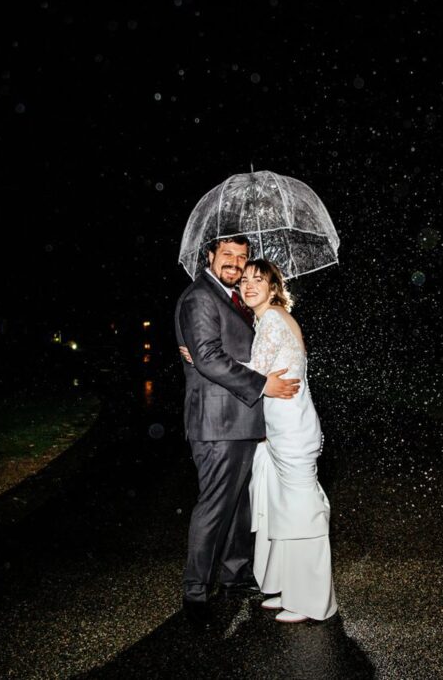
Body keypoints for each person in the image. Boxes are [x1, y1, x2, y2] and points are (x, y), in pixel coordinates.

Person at [183, 259, 337, 623]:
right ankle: (288, 587)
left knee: (299, 510)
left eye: (260, 279)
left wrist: (199, 356)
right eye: (245, 279)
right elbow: (259, 369)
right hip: (282, 426)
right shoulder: (274, 319)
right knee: (282, 508)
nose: (250, 284)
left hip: (290, 427)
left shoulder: (270, 320)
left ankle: (312, 600)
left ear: (274, 288)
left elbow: (255, 371)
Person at [174, 237, 301, 625]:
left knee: (238, 505)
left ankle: (235, 575)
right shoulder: (200, 297)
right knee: (215, 506)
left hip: (241, 420)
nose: (236, 262)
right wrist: (262, 384)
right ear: (209, 256)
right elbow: (209, 359)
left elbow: (241, 349)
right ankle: (195, 593)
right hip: (218, 422)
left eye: (242, 257)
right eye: (227, 254)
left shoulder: (234, 299)